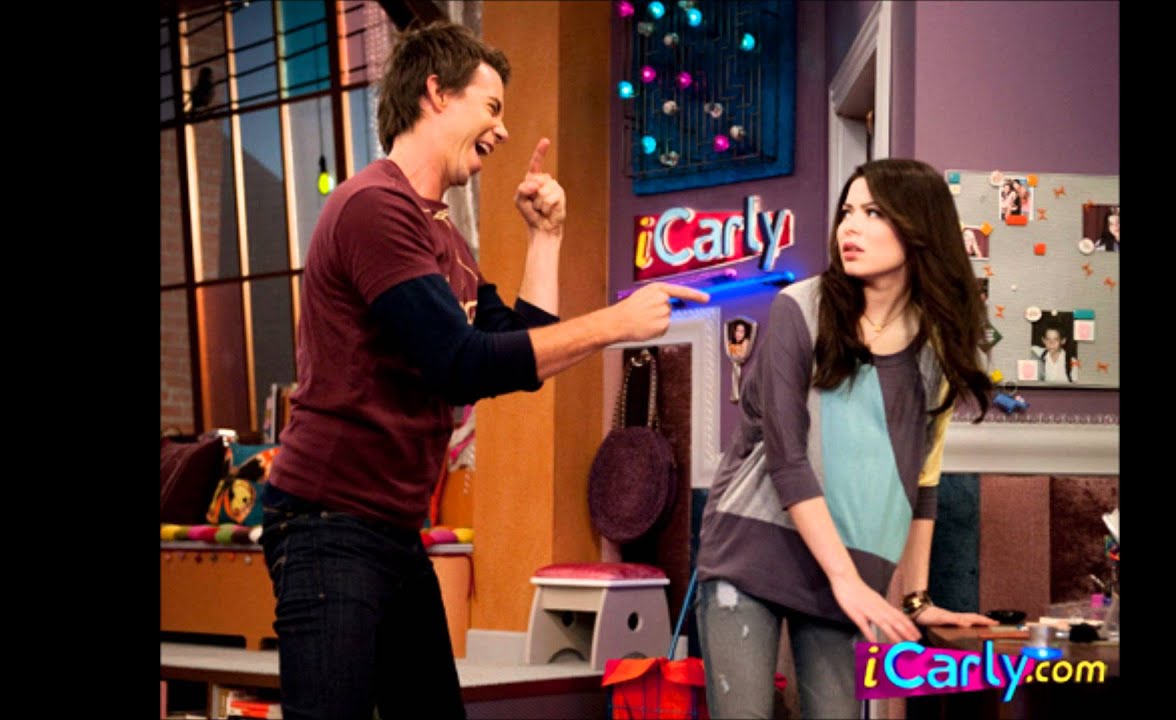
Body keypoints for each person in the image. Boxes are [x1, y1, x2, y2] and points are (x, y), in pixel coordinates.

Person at [260, 20, 707, 720]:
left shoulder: (443, 236)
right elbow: (459, 363)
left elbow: (521, 351)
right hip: (329, 521)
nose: (501, 130)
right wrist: (617, 323)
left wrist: (546, 239)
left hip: (390, 529)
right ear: (436, 93)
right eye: (492, 106)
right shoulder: (374, 208)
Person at [695, 159, 997, 719]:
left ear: (919, 226)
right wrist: (846, 581)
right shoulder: (799, 308)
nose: (850, 227)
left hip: (852, 570)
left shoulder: (939, 347)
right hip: (753, 552)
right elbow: (788, 458)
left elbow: (922, 480)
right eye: (848, 212)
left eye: (874, 212)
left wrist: (915, 599)